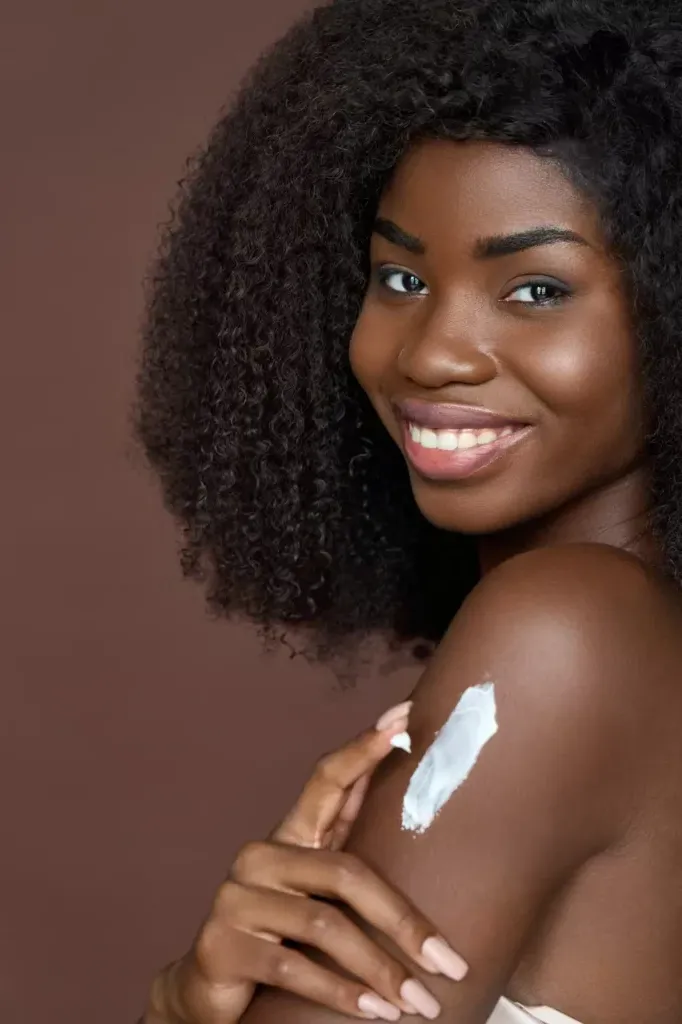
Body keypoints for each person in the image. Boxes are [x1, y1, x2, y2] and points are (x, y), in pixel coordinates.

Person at [134, 0, 682, 1021]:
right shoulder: (635, 639)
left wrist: (174, 1005)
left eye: (533, 291)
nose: (429, 352)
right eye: (399, 276)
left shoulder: (563, 634)